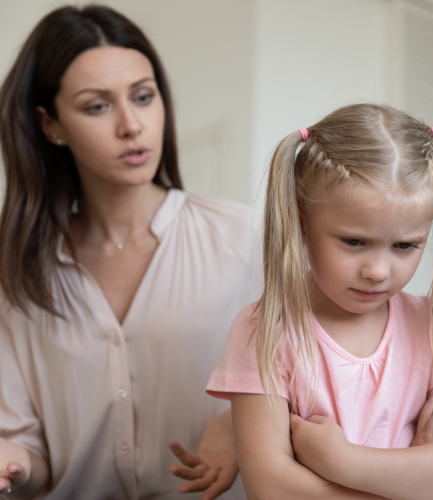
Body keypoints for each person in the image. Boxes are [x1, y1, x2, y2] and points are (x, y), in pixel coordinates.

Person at [0, 5, 259, 499]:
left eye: (143, 97)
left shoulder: (246, 237)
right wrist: (12, 462)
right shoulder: (19, 274)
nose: (131, 125)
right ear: (51, 125)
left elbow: (324, 385)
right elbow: (32, 460)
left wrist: (239, 419)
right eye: (97, 106)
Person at [206, 104, 433, 499]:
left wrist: (343, 461)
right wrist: (420, 477)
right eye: (354, 242)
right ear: (302, 221)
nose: (378, 270)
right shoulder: (264, 330)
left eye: (405, 245)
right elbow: (273, 490)